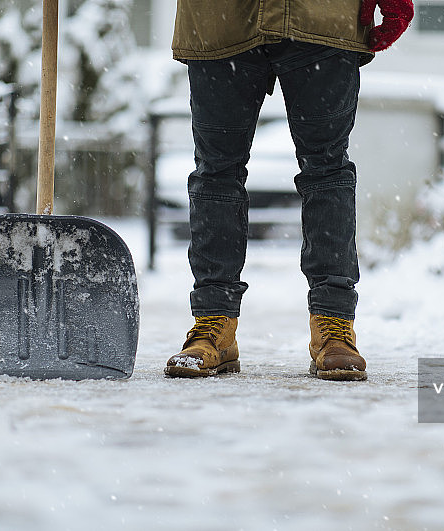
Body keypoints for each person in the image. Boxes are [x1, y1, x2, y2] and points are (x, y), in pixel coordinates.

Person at [164, 0, 414, 381]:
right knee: (216, 173)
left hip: (322, 16)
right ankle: (214, 323)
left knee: (327, 171)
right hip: (220, 16)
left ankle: (333, 326)